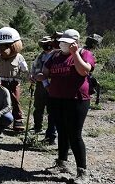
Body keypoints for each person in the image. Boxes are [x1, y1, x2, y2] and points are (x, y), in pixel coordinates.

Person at [40, 29, 95, 183]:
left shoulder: (85, 53)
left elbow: (84, 71)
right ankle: (62, 162)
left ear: (75, 42)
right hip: (56, 98)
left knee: (75, 134)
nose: (63, 44)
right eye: (62, 42)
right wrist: (40, 77)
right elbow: (45, 71)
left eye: (67, 42)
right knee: (62, 131)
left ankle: (82, 171)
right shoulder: (55, 55)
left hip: (77, 99)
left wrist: (75, 53)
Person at [0, 27, 28, 131]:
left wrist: (25, 69)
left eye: (5, 45)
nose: (1, 48)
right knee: (1, 100)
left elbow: (25, 70)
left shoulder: (18, 57)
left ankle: (18, 120)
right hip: (2, 81)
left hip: (14, 82)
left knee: (15, 100)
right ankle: (0, 119)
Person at [30, 36, 57, 145]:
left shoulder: (56, 55)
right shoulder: (40, 56)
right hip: (40, 85)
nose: (46, 45)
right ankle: (37, 126)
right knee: (38, 106)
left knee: (52, 110)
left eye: (48, 43)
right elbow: (33, 67)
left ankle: (51, 134)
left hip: (52, 84)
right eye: (44, 44)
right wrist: (32, 75)